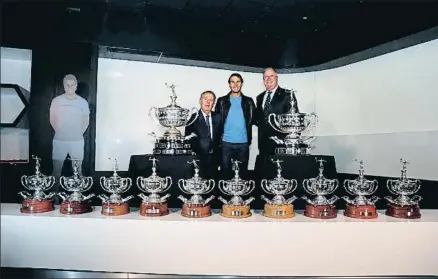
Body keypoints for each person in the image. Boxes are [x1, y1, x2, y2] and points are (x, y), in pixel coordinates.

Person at [49, 74, 90, 193]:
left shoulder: (82, 102)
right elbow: (52, 119)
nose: (70, 87)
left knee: (78, 171)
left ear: (76, 86)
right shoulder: (56, 101)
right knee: (56, 171)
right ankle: (54, 197)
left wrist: (76, 133)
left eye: (72, 85)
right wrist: (62, 131)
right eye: (67, 85)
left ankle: (78, 198)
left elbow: (85, 121)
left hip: (77, 141)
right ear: (64, 86)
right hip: (59, 141)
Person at [215, 73, 256, 178]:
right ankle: (224, 194)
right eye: (232, 82)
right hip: (225, 144)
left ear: (242, 84)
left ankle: (241, 194)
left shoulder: (249, 101)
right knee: (225, 174)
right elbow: (217, 122)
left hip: (243, 143)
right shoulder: (221, 101)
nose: (235, 84)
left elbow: (255, 119)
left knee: (242, 175)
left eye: (238, 81)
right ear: (229, 84)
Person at [255, 67, 299, 158]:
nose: (268, 79)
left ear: (276, 78)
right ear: (263, 80)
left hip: (281, 144)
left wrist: (291, 142)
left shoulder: (287, 95)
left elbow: (294, 120)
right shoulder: (259, 97)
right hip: (263, 144)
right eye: (266, 77)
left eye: (271, 76)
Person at [186, 91, 222, 178]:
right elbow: (189, 140)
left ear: (213, 103)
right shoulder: (192, 118)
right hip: (199, 160)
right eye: (205, 99)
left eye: (211, 100)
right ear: (200, 101)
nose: (208, 102)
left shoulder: (218, 117)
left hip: (215, 159)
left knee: (213, 186)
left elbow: (221, 137)